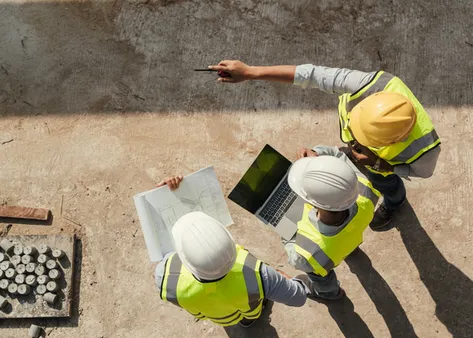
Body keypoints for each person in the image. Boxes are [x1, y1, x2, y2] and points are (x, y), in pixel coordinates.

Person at [209, 60, 441, 231]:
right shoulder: (371, 84)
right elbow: (311, 75)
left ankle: (394, 202)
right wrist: (250, 72)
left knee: (387, 185)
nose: (352, 140)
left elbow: (423, 173)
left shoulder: (425, 151)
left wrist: (382, 165)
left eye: (361, 138)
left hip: (381, 166)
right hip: (374, 158)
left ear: (392, 141)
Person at [154, 177, 310, 328]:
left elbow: (163, 249)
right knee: (251, 312)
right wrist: (279, 278)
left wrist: (165, 196)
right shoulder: (260, 275)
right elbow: (298, 297)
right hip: (249, 309)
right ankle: (249, 321)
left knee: (225, 316)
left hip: (217, 316)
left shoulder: (165, 277)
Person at [282, 146, 381, 300]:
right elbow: (339, 158)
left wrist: (285, 227)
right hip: (349, 238)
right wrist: (319, 158)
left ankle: (329, 293)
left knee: (321, 277)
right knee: (347, 241)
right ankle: (351, 250)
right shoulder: (366, 191)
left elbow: (295, 259)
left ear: (311, 203)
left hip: (326, 257)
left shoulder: (307, 255)